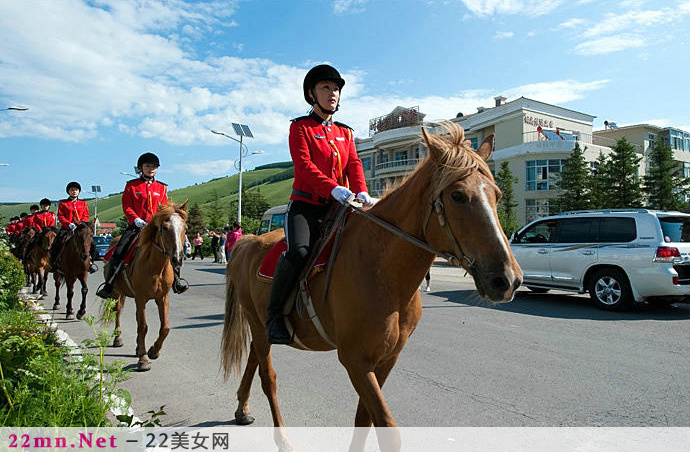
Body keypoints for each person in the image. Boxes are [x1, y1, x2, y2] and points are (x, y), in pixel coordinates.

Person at [266, 64, 376, 344]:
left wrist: (361, 191)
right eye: (326, 87)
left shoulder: (346, 133)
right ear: (311, 94)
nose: (333, 93)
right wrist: (333, 188)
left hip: (340, 207)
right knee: (300, 252)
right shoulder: (300, 127)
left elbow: (354, 163)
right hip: (306, 207)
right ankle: (274, 315)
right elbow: (303, 166)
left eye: (336, 89)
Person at [96, 152, 188, 299]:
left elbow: (164, 209)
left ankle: (177, 280)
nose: (151, 169)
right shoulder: (131, 186)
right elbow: (127, 206)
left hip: (155, 227)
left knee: (173, 248)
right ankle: (110, 284)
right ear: (141, 168)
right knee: (119, 252)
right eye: (147, 166)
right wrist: (136, 219)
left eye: (154, 166)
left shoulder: (161, 188)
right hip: (135, 227)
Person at [50, 182, 98, 274]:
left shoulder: (83, 203)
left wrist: (81, 224)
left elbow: (86, 215)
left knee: (93, 244)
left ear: (79, 191)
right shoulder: (63, 203)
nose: (74, 192)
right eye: (72, 190)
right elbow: (60, 216)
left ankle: (91, 263)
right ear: (68, 192)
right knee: (56, 242)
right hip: (67, 228)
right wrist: (69, 224)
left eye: (76, 190)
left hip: (80, 228)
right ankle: (54, 263)